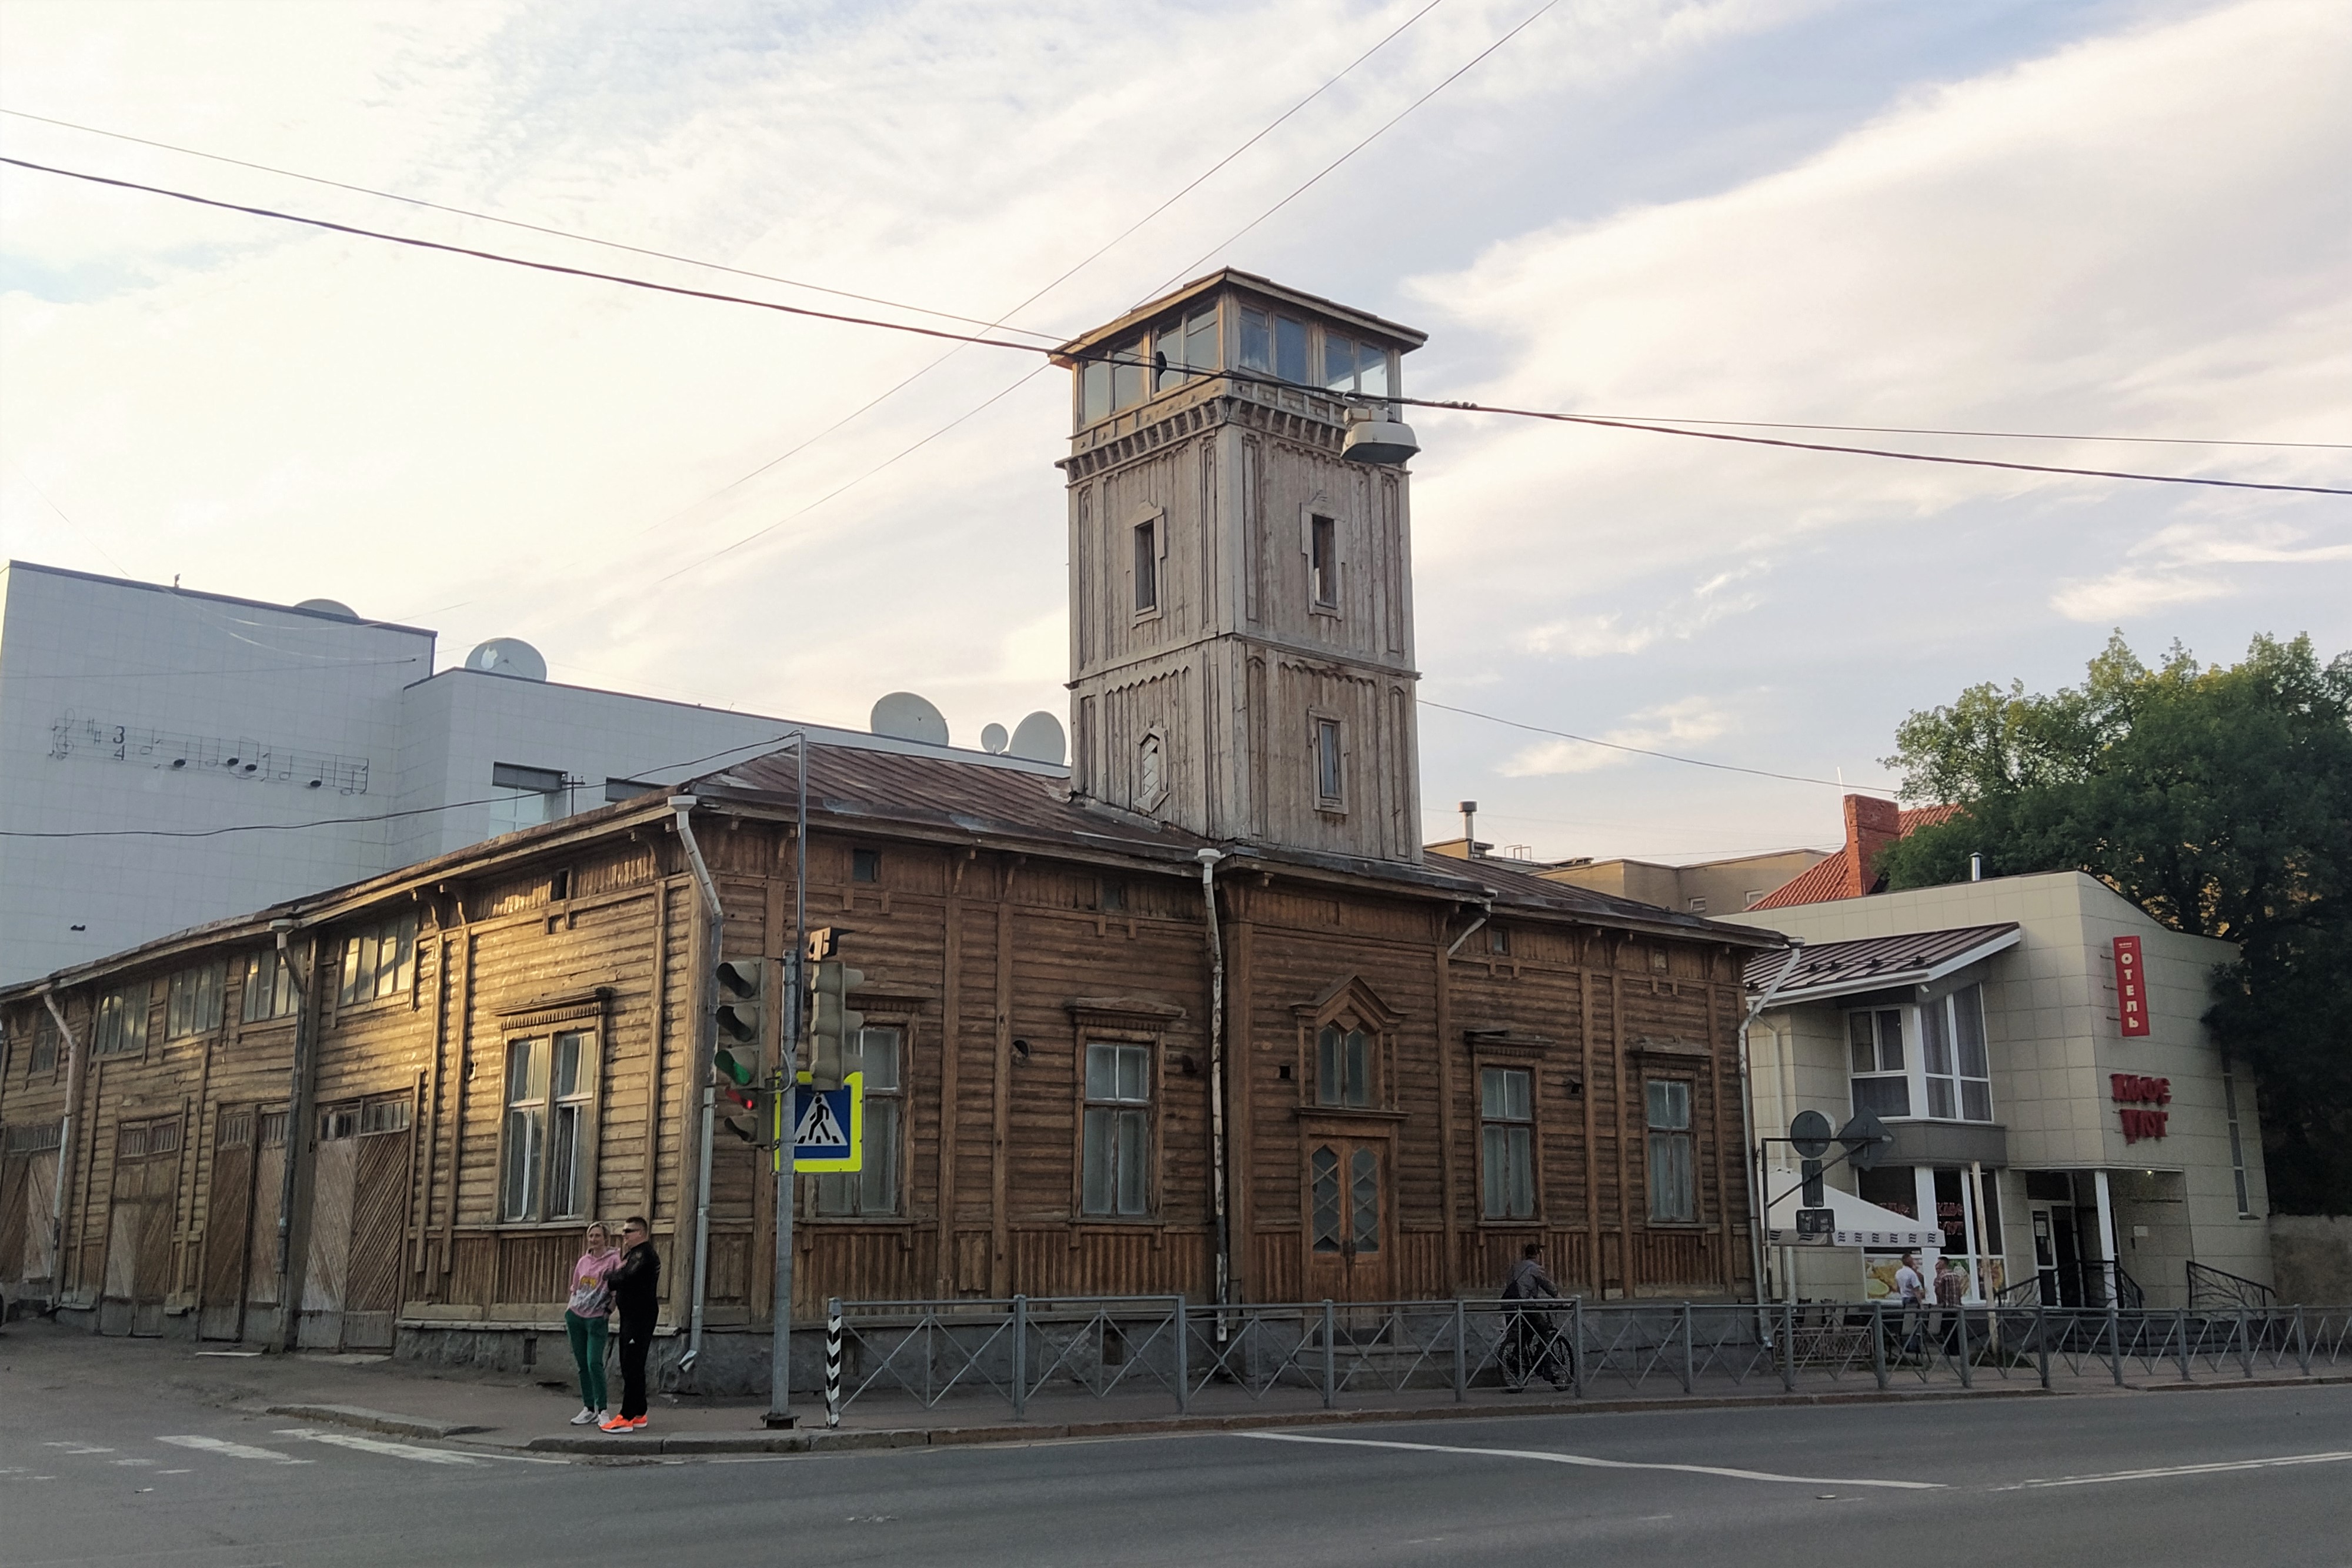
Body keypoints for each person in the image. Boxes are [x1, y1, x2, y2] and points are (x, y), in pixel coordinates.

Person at [600, 1216, 660, 1433]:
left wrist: (610, 1277)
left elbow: (625, 1277)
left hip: (639, 1316)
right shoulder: (633, 1254)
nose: (624, 1235)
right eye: (623, 1230)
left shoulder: (643, 1254)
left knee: (632, 1364)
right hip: (631, 1315)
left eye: (628, 1231)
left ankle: (626, 1417)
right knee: (630, 1364)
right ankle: (639, 1412)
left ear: (641, 1233)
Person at [563, 1222, 623, 1426]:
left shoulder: (614, 1260)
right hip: (576, 1316)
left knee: (594, 1363)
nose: (594, 1240)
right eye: (591, 1236)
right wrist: (569, 1309)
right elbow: (575, 1287)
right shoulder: (583, 1261)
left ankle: (603, 1409)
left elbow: (617, 1289)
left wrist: (609, 1311)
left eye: (598, 1236)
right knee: (582, 1365)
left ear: (605, 1238)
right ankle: (588, 1408)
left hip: (597, 1318)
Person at [1500, 1242, 1572, 1392]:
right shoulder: (1535, 1268)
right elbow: (1548, 1286)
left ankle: (1518, 1356)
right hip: (1524, 1305)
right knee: (1544, 1330)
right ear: (1537, 1254)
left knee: (1523, 1333)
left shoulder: (1515, 1267)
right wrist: (1562, 1301)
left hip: (1509, 1305)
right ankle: (1546, 1368)